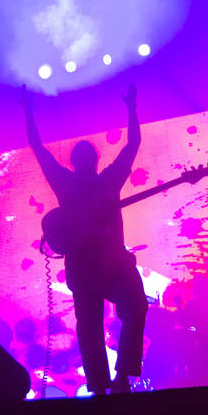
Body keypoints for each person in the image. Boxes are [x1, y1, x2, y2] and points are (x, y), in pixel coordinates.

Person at [19, 83, 147, 395]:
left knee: (107, 319)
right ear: (90, 160)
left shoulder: (77, 181)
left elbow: (39, 148)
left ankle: (110, 384)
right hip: (99, 265)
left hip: (105, 264)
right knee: (104, 321)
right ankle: (112, 384)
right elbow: (132, 145)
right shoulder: (100, 180)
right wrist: (131, 110)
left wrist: (28, 113)